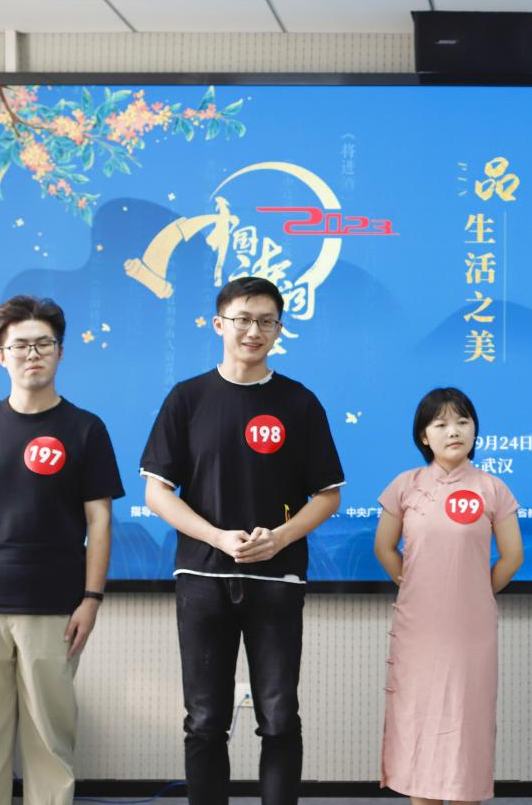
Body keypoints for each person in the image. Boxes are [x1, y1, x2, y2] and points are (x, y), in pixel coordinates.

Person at [140, 276, 344, 805]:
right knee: (205, 720)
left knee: (280, 716)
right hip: (203, 578)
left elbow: (327, 496)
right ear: (219, 324)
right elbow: (157, 493)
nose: (254, 331)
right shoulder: (187, 398)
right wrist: (214, 536)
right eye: (243, 320)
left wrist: (280, 538)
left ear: (278, 329)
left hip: (277, 580)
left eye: (266, 322)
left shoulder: (299, 402)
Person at [0, 295, 124, 805]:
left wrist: (92, 599)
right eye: (20, 346)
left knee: (50, 747)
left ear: (60, 352)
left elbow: (100, 520)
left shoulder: (86, 429)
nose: (32, 354)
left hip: (54, 608)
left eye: (43, 344)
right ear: (1, 356)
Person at [373, 387, 524, 804]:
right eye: (440, 424)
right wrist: (413, 583)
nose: (453, 431)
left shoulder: (493, 488)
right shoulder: (405, 486)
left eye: (462, 421)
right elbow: (384, 547)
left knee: (465, 721)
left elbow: (512, 556)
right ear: (424, 436)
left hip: (471, 630)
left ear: (475, 429)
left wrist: (475, 589)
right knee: (419, 722)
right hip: (418, 628)